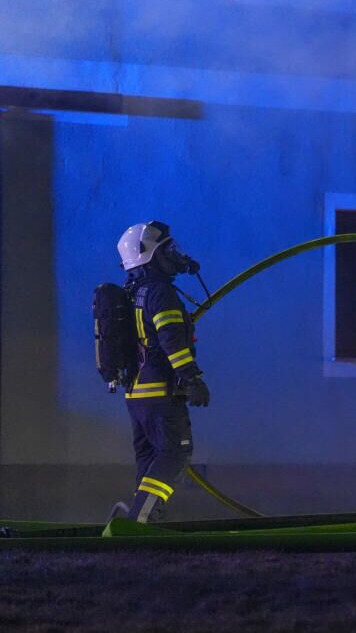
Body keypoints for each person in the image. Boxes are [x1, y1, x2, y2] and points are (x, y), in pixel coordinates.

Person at [114, 221, 210, 522]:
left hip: (137, 395)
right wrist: (192, 378)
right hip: (160, 393)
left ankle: (141, 519)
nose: (174, 255)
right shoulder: (159, 293)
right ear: (148, 255)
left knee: (150, 459)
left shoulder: (133, 293)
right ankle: (141, 519)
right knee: (175, 453)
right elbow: (171, 341)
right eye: (166, 250)